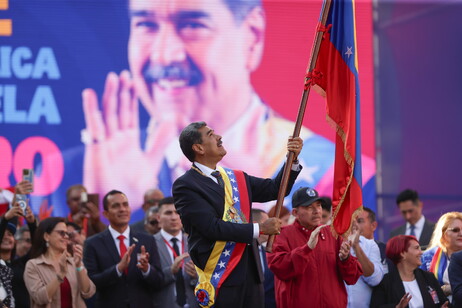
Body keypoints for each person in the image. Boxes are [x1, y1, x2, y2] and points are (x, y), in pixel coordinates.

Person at [81, 0, 376, 211]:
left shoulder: (337, 169)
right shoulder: (80, 172)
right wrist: (131, 207)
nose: (165, 55)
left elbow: (276, 190)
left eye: (193, 25)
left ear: (252, 34)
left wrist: (292, 160)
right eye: (146, 24)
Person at [172, 121, 303, 308]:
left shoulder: (236, 177)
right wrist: (260, 229)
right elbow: (210, 227)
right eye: (210, 134)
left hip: (251, 272)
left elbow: (274, 189)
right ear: (198, 147)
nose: (219, 137)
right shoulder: (186, 185)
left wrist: (293, 160)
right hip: (220, 276)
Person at [267, 186, 362, 308]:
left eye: (318, 206)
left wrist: (346, 258)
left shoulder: (333, 234)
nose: (316, 211)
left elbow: (352, 277)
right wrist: (306, 249)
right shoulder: (281, 234)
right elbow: (279, 268)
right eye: (309, 207)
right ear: (295, 213)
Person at [83, 190, 164, 308]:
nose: (122, 209)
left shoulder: (147, 240)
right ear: (105, 214)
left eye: (125, 205)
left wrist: (147, 269)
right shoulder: (93, 243)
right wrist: (118, 269)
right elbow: (91, 283)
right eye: (116, 206)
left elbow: (159, 281)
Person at [24, 217, 96, 308]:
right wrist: (61, 274)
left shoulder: (73, 262)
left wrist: (79, 266)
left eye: (67, 234)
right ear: (47, 236)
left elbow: (88, 292)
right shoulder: (33, 265)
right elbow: (40, 298)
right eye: (61, 233)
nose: (66, 237)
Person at [371, 235, 449, 308]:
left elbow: (443, 302)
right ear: (402, 253)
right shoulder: (385, 282)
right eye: (416, 248)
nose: (421, 252)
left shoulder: (428, 278)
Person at [152, 197, 198, 308]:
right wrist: (171, 271)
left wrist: (195, 277)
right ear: (158, 217)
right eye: (168, 213)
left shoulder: (195, 242)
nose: (174, 217)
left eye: (178, 212)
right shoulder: (150, 244)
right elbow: (147, 281)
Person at [420, 212, 462, 302]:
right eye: (455, 230)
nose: (461, 233)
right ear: (443, 233)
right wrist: (442, 290)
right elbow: (421, 287)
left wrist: (451, 289)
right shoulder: (428, 257)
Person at [346, 214, 384, 308]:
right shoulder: (330, 242)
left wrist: (356, 247)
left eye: (359, 221)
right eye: (349, 219)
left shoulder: (370, 245)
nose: (354, 224)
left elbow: (375, 280)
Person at [251, 208, 276, 308]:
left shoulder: (269, 252)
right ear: (256, 224)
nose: (273, 228)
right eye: (268, 223)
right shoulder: (240, 255)